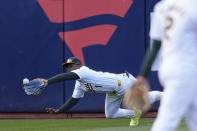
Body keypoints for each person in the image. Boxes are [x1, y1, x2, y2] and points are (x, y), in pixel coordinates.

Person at [132, 0, 197, 130]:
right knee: (166, 121)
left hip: (169, 67)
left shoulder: (162, 7)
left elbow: (155, 46)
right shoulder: (193, 5)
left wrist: (143, 75)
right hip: (185, 70)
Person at [42, 57, 162, 126]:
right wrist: (59, 111)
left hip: (123, 83)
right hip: (113, 91)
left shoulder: (83, 71)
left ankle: (171, 94)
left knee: (148, 98)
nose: (69, 68)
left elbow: (65, 77)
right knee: (111, 114)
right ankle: (135, 114)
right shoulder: (79, 84)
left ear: (78, 65)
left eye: (71, 65)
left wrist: (48, 81)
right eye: (67, 67)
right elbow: (74, 100)